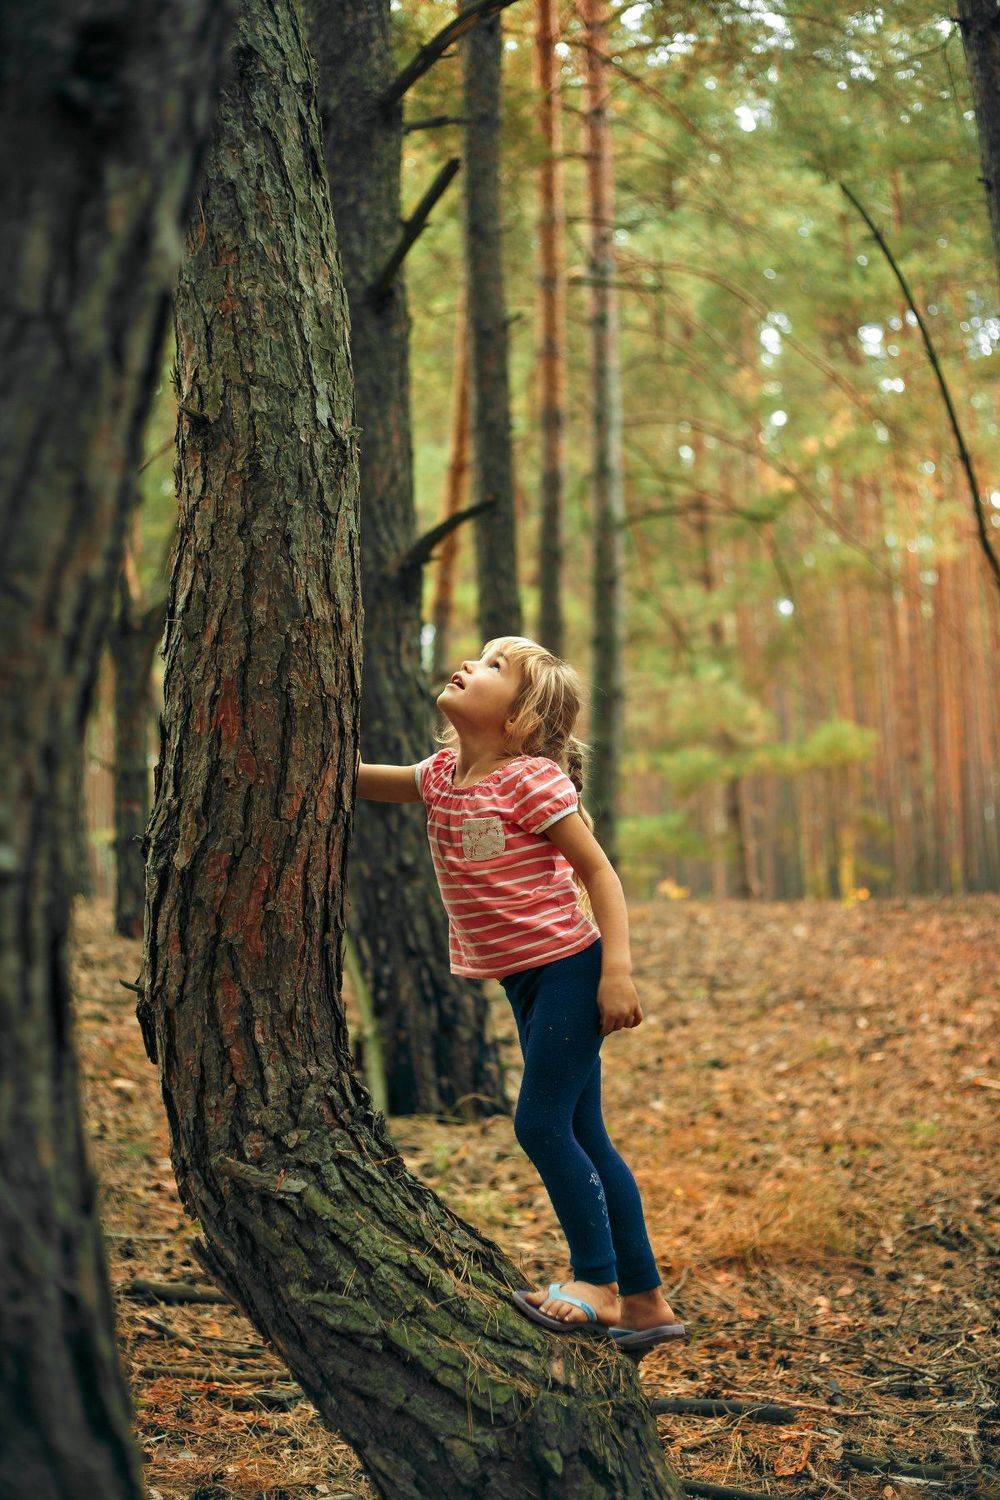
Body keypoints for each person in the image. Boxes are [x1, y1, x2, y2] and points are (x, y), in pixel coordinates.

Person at [355, 635, 684, 1353]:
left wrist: (617, 970)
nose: (469, 665)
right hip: (527, 980)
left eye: (494, 666)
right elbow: (366, 782)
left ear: (521, 719)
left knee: (540, 1125)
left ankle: (597, 1285)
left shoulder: (530, 780)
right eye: (478, 657)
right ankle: (646, 1301)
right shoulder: (442, 775)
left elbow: (599, 873)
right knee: (586, 1134)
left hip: (569, 969)